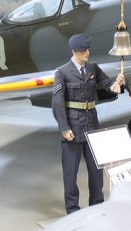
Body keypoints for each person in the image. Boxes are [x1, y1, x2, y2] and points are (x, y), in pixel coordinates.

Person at [52, 33, 125, 214]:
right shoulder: (62, 72)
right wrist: (64, 127)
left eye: (88, 49)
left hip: (92, 124)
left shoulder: (93, 68)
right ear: (74, 51)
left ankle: (97, 205)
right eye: (83, 50)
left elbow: (106, 83)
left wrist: (115, 85)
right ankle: (72, 209)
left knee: (96, 170)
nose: (87, 53)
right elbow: (57, 102)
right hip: (73, 127)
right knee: (70, 172)